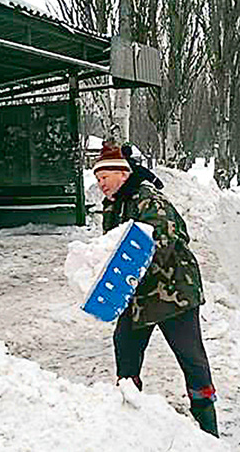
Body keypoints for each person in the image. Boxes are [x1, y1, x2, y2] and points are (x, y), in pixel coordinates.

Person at [95, 143, 219, 437]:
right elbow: (113, 247)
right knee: (125, 348)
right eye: (97, 179)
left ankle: (208, 428)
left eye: (104, 177)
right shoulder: (114, 205)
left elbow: (160, 244)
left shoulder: (147, 200)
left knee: (191, 358)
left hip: (173, 292)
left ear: (122, 174)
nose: (100, 184)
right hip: (137, 295)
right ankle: (128, 413)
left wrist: (125, 272)